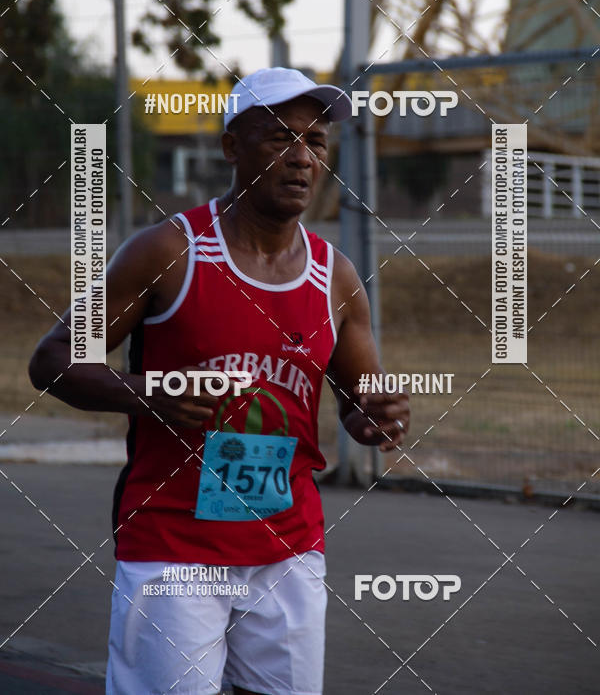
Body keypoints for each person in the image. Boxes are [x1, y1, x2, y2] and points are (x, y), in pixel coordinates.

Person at [29, 66, 410, 695]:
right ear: (232, 145)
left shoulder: (334, 277)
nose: (301, 157)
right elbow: (54, 360)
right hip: (173, 543)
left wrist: (374, 417)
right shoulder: (166, 252)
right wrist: (148, 393)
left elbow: (359, 404)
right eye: (280, 138)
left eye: (316, 142)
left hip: (288, 546)